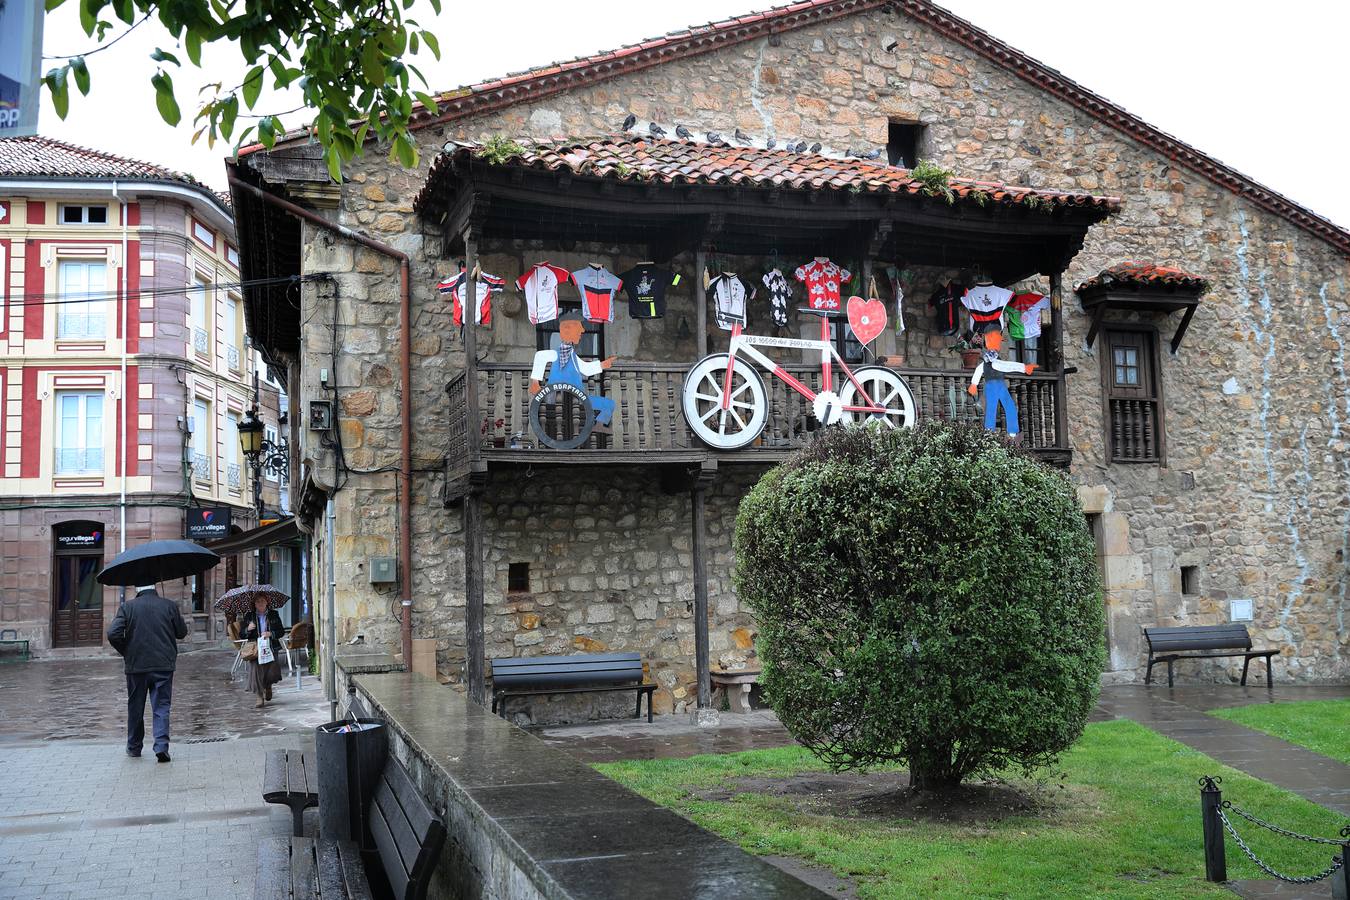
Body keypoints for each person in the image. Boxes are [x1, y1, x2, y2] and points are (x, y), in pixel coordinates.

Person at [106, 583, 188, 762]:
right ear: (155, 587)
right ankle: (161, 746)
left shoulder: (127, 607)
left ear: (137, 589)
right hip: (163, 665)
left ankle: (134, 747)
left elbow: (113, 633)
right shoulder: (168, 605)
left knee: (136, 706)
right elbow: (182, 632)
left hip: (137, 665)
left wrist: (126, 650)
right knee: (161, 706)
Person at [240, 597, 284, 708]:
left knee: (271, 671)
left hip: (271, 646)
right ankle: (259, 696)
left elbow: (281, 631)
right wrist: (248, 629)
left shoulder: (274, 614)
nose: (260, 603)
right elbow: (242, 634)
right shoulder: (249, 616)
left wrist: (271, 634)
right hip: (255, 649)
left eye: (263, 601)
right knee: (256, 671)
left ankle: (268, 686)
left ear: (267, 603)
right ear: (254, 604)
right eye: (258, 601)